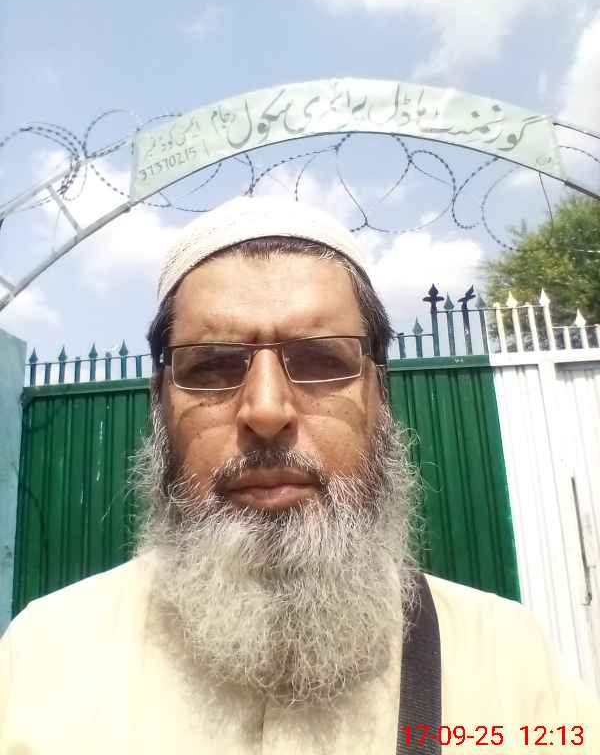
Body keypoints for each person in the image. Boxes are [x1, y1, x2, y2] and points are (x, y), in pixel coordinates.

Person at [0, 195, 598, 754]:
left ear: (380, 395)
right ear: (160, 402)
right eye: (212, 367)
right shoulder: (40, 661)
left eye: (320, 359)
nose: (265, 411)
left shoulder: (513, 668)